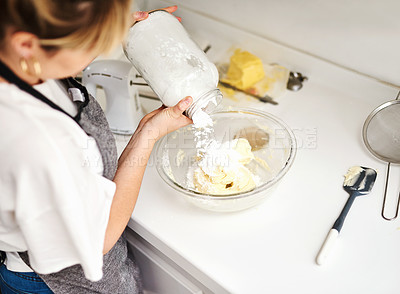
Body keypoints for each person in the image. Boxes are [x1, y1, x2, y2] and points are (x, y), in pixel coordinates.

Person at [0, 1, 192, 293]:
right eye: (93, 42)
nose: (104, 46)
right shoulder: (37, 139)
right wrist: (150, 131)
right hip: (45, 280)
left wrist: (99, 24)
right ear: (27, 44)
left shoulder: (16, 56)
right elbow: (99, 236)